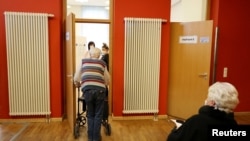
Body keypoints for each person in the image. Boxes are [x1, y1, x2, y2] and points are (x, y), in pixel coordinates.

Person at [166, 82, 240, 141]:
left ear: (212, 102)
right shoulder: (232, 122)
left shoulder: (197, 121)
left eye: (208, 97)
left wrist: (176, 128)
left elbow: (173, 139)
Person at [74, 47, 110, 141]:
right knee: (98, 115)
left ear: (90, 54)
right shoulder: (102, 63)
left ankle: (90, 138)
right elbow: (107, 79)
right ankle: (96, 138)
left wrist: (77, 83)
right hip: (100, 91)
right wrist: (104, 84)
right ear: (99, 56)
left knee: (90, 114)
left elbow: (76, 77)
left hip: (88, 90)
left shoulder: (84, 61)